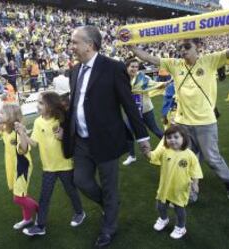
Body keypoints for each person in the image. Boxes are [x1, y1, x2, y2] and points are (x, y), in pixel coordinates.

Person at [62, 26, 150, 248]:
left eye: (75, 42)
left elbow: (128, 104)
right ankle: (110, 205)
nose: (71, 46)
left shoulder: (113, 68)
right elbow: (75, 105)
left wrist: (142, 137)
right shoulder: (74, 71)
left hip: (107, 140)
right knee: (80, 180)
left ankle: (108, 228)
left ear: (90, 45)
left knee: (110, 186)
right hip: (81, 140)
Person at [129, 38, 229, 201]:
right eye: (180, 48)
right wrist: (133, 48)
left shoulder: (210, 60)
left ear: (197, 47)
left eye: (187, 47)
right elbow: (151, 59)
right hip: (182, 123)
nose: (183, 50)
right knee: (185, 157)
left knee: (212, 158)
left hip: (205, 122)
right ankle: (191, 189)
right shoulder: (175, 64)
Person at [17, 92, 85, 236]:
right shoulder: (37, 122)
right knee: (44, 197)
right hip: (48, 167)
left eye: (41, 103)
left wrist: (63, 136)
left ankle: (80, 213)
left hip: (65, 165)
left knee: (71, 191)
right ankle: (40, 226)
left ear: (51, 106)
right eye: (38, 102)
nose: (38, 105)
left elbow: (74, 137)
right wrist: (23, 133)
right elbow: (34, 143)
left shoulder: (61, 119)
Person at [0, 104, 38, 230]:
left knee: (18, 198)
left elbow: (24, 149)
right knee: (21, 195)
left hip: (22, 167)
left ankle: (41, 211)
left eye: (1, 113)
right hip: (11, 165)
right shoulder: (4, 128)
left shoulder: (17, 132)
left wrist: (22, 134)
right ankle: (27, 219)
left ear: (10, 117)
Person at [145, 125, 203, 239]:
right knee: (160, 205)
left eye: (176, 137)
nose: (172, 140)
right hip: (164, 186)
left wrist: (195, 184)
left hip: (180, 188)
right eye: (169, 137)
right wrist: (146, 150)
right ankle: (163, 219)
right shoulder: (165, 151)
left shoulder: (189, 155)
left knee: (179, 209)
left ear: (184, 138)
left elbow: (195, 170)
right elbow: (152, 157)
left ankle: (181, 227)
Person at [122, 58, 169, 166]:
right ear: (127, 67)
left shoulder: (143, 78)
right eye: (132, 66)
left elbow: (154, 84)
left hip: (146, 109)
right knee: (129, 133)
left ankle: (169, 147)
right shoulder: (122, 79)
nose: (134, 69)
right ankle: (132, 156)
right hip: (131, 111)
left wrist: (166, 83)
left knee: (155, 129)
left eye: (136, 67)